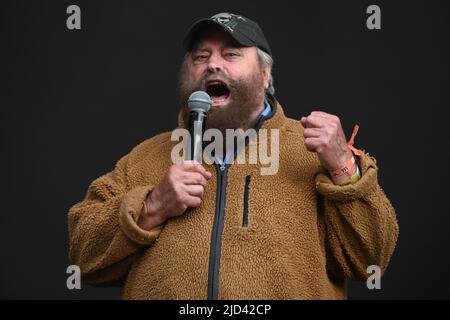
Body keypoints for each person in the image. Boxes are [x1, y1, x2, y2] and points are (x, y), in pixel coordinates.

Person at [68, 12, 399, 299]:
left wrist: (344, 168)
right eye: (200, 57)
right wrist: (152, 207)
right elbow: (83, 256)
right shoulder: (144, 159)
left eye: (231, 54)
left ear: (266, 76)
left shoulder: (314, 153)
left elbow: (371, 260)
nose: (212, 63)